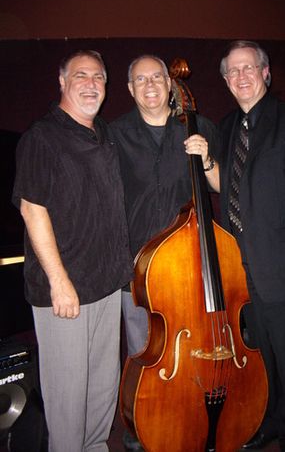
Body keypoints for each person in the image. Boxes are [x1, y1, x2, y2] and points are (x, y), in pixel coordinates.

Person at [12, 50, 133, 452]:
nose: (91, 84)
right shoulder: (42, 137)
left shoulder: (105, 135)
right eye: (81, 75)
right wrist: (59, 283)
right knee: (68, 398)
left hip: (106, 283)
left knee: (102, 390)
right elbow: (32, 208)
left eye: (99, 76)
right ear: (62, 82)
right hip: (67, 291)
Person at [214, 40, 285, 451]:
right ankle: (271, 422)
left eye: (249, 68)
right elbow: (227, 186)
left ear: (266, 73)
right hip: (241, 270)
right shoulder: (226, 128)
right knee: (263, 362)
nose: (241, 76)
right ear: (226, 80)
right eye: (233, 71)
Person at [109, 54, 218, 450]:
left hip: (190, 266)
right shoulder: (113, 133)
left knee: (194, 352)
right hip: (137, 269)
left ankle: (193, 422)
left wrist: (206, 158)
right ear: (129, 89)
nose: (151, 85)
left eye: (157, 77)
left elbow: (220, 186)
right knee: (144, 352)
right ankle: (141, 431)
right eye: (141, 80)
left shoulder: (198, 125)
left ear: (171, 85)